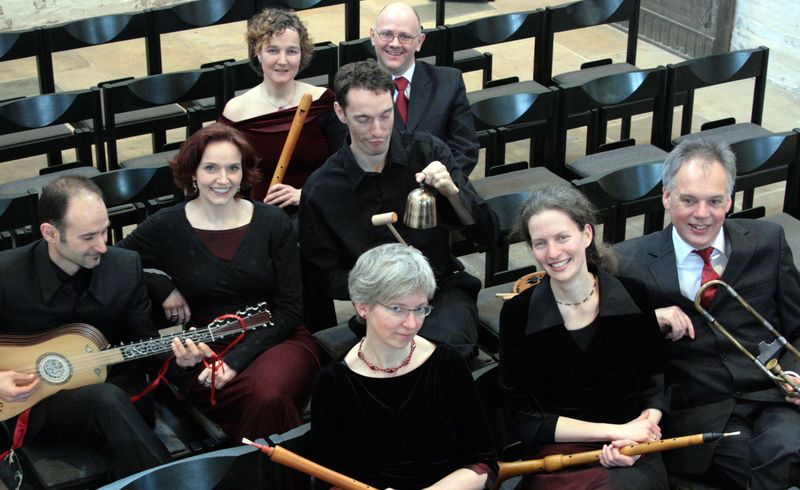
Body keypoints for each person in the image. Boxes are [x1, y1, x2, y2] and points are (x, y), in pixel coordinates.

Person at [615, 139, 800, 490]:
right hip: (703, 415)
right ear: (666, 197)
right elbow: (608, 346)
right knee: (768, 466)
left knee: (785, 451)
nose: (702, 214)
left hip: (775, 397)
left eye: (714, 201)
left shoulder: (768, 240)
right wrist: (647, 320)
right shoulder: (628, 262)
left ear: (729, 201)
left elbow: (798, 325)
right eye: (689, 200)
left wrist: (794, 373)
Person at [119, 123, 320, 443]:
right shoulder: (167, 224)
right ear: (192, 173)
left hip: (278, 339)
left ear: (244, 172)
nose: (223, 179)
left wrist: (235, 361)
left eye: (233, 168)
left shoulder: (272, 221)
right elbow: (111, 262)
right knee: (260, 401)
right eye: (211, 168)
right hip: (205, 346)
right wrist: (161, 285)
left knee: (268, 395)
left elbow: (290, 310)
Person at [298, 60, 496, 360]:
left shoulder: (428, 151)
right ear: (340, 113)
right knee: (392, 361)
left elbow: (488, 233)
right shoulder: (322, 189)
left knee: (443, 355)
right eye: (363, 119)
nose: (377, 131)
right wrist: (379, 286)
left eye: (385, 115)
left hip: (439, 292)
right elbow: (321, 277)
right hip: (377, 304)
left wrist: (452, 194)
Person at [0, 176, 184, 479]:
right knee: (105, 400)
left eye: (105, 231)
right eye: (87, 237)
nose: (102, 246)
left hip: (118, 393)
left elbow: (145, 346)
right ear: (50, 233)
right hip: (39, 404)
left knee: (111, 401)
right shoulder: (7, 274)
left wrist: (181, 360)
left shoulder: (124, 266)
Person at [499, 185, 669, 489]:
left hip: (634, 446)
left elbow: (656, 380)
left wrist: (644, 428)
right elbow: (522, 416)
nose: (553, 253)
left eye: (562, 237)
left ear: (587, 234)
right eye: (540, 243)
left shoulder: (633, 294)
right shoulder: (518, 314)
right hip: (559, 454)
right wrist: (613, 432)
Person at [311, 243, 497, 489]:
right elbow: (330, 481)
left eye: (420, 309)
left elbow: (484, 463)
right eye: (397, 309)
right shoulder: (333, 382)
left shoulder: (447, 362)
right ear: (363, 306)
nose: (411, 324)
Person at [220, 8, 346, 206]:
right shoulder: (236, 111)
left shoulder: (321, 101)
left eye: (292, 51)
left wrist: (304, 194)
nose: (283, 60)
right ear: (258, 53)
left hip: (315, 205)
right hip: (260, 212)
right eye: (273, 50)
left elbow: (345, 165)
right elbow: (226, 174)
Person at [370, 2, 479, 176]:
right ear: (372, 36)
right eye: (387, 34)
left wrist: (435, 183)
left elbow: (465, 149)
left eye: (405, 36)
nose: (395, 43)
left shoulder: (449, 82)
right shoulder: (355, 89)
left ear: (419, 42)